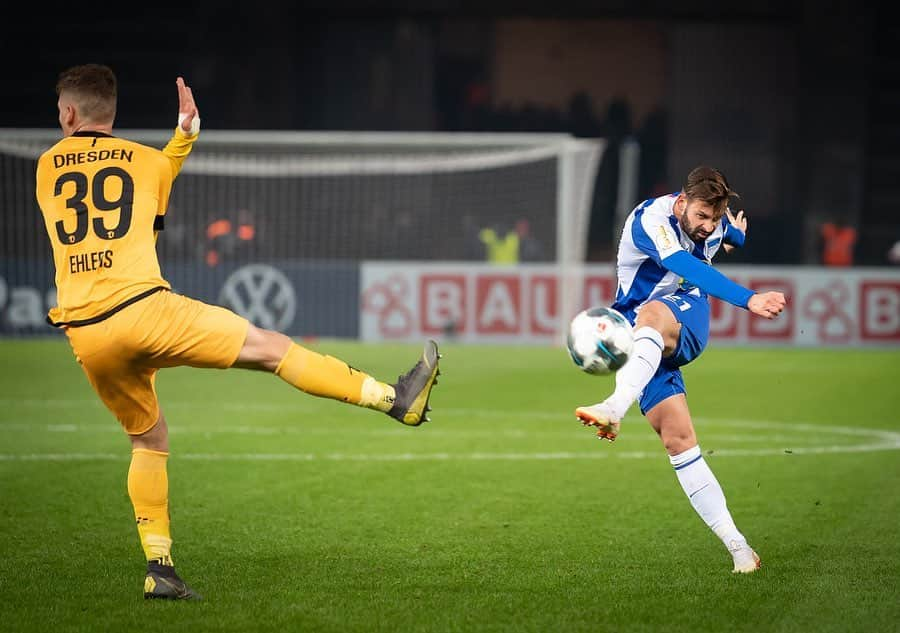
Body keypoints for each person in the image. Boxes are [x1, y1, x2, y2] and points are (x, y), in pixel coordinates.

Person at [35, 64, 441, 601]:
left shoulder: (44, 167)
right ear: (113, 112)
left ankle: (160, 568)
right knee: (272, 350)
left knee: (147, 439)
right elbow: (154, 187)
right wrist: (185, 134)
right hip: (144, 308)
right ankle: (397, 400)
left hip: (84, 330)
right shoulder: (144, 160)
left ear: (67, 113)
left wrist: (177, 144)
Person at [574, 166, 786, 574]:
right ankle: (740, 550)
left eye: (715, 219)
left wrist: (738, 248)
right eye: (703, 216)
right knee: (679, 441)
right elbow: (682, 261)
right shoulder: (650, 221)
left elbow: (717, 248)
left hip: (685, 319)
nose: (708, 227)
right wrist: (743, 276)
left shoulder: (712, 224)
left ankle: (614, 407)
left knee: (652, 313)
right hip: (641, 341)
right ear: (682, 202)